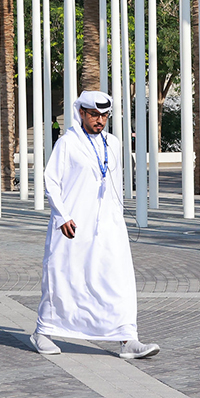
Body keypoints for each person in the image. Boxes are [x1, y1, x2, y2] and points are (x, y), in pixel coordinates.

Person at [30, 91, 160, 360]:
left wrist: (117, 218)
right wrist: (62, 215)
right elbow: (51, 181)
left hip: (109, 227)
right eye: (94, 115)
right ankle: (43, 332)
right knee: (64, 278)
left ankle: (127, 338)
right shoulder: (67, 143)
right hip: (73, 226)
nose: (99, 120)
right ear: (82, 114)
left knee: (117, 280)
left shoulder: (113, 143)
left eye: (104, 115)